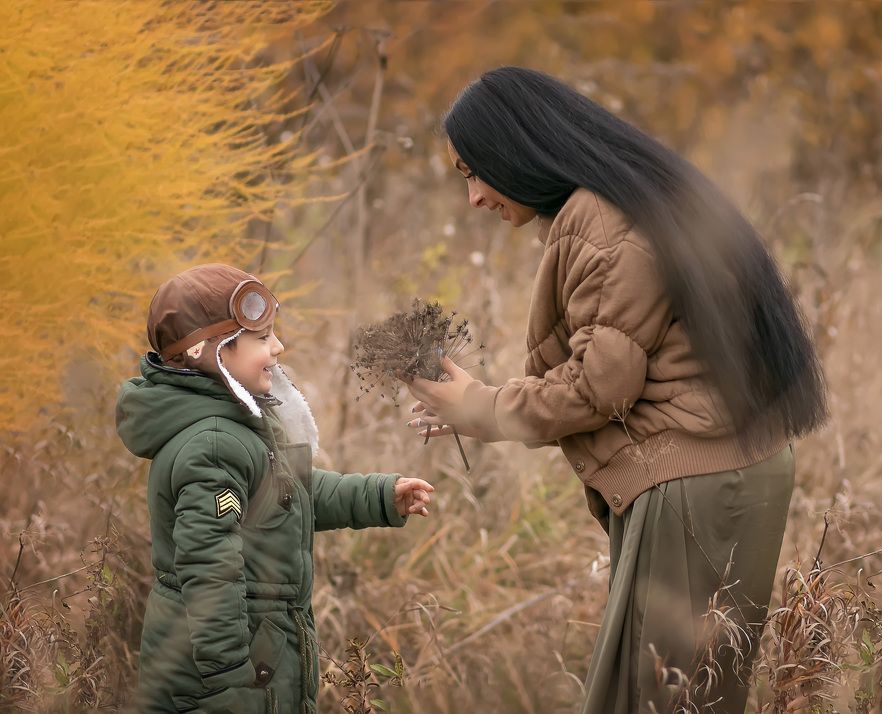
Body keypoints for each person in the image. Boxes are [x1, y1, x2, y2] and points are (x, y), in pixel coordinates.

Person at [406, 67, 827, 713]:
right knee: (690, 698)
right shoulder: (632, 198)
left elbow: (600, 387)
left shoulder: (601, 221)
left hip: (694, 483)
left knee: (653, 700)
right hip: (723, 473)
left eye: (472, 170)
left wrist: (484, 407)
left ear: (513, 149)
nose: (474, 198)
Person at [116, 263, 434, 714]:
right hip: (225, 678)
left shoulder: (237, 427)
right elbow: (209, 568)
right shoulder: (213, 444)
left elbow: (287, 495)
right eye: (262, 339)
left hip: (260, 653)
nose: (279, 347)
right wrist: (232, 677)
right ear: (210, 353)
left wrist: (380, 496)